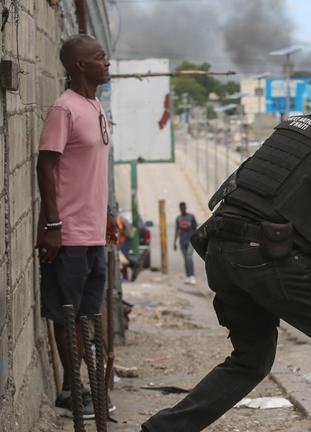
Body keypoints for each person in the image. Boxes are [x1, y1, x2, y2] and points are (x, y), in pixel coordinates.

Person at [142, 64, 311, 432]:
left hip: (221, 249)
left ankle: (161, 429)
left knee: (251, 360)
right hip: (267, 255)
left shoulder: (302, 127)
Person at [36, 35, 116, 418]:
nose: (107, 62)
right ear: (81, 65)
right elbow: (46, 165)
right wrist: (52, 223)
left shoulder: (94, 105)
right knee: (65, 313)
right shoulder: (64, 109)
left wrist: (105, 216)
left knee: (86, 312)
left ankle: (84, 386)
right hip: (66, 233)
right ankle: (73, 388)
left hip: (92, 233)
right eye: (100, 58)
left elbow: (91, 174)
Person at [174, 201, 198, 284]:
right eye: (181, 208)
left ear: (185, 208)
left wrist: (196, 239)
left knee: (189, 257)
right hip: (182, 241)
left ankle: (192, 276)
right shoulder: (178, 218)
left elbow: (196, 228)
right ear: (180, 209)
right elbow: (177, 230)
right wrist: (174, 242)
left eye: (183, 208)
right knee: (185, 259)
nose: (182, 209)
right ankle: (188, 276)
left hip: (190, 241)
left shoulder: (191, 217)